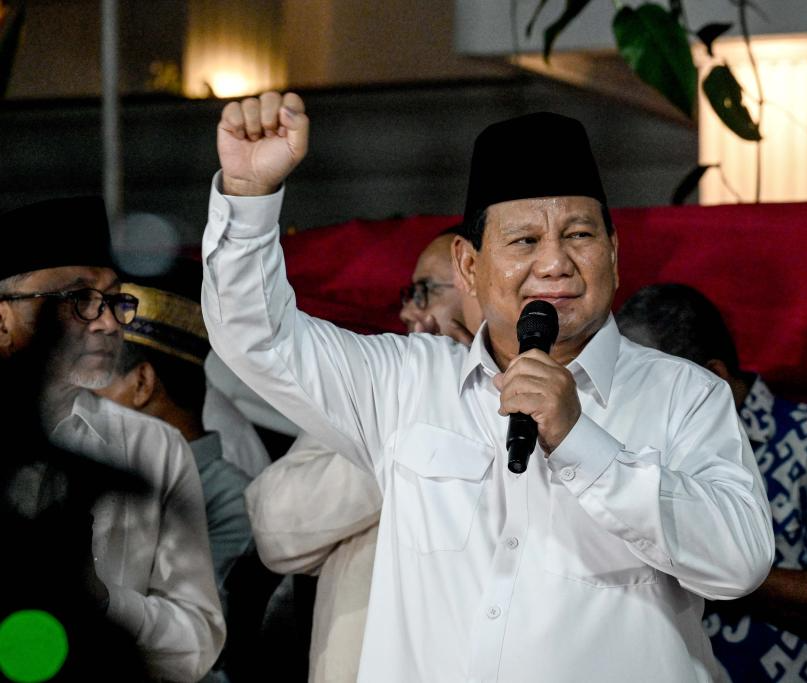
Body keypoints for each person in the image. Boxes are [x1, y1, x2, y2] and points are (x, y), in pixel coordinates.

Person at [201, 91, 773, 682]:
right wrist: (248, 198)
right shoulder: (404, 383)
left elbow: (740, 562)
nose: (554, 263)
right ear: (468, 266)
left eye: (579, 235)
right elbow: (257, 336)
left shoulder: (683, 394)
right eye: (524, 241)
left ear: (614, 253)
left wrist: (583, 444)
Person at [247, 225, 483, 683]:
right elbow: (276, 528)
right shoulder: (377, 393)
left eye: (424, 292)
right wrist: (426, 428)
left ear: (480, 284)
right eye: (408, 294)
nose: (407, 310)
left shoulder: (542, 408)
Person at [0, 197, 224, 681]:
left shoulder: (152, 447)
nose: (106, 322)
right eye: (78, 299)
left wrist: (103, 601)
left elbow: (198, 640)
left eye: (115, 300)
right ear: (3, 318)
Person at [617, 283, 807, 682]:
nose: (629, 402)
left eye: (647, 386)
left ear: (714, 377)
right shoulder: (623, 445)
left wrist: (707, 559)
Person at [92, 269, 271, 682]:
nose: (85, 400)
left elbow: (202, 645)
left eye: (98, 383)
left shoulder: (232, 500)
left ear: (142, 383)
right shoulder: (109, 471)